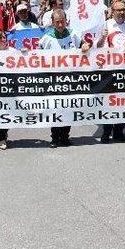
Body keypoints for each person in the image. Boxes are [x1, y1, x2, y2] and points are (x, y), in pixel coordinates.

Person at [39, 9, 90, 147]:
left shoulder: (73, 34)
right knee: (55, 108)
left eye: (62, 21)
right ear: (52, 22)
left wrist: (85, 46)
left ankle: (65, 136)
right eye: (57, 22)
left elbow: (84, 46)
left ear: (66, 20)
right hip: (54, 79)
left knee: (68, 107)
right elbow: (38, 56)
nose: (60, 25)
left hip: (71, 78)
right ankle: (55, 137)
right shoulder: (47, 38)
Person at [97, 1, 125, 143]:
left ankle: (119, 131)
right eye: (118, 10)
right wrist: (102, 37)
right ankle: (106, 131)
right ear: (112, 11)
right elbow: (97, 46)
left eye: (124, 10)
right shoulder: (106, 24)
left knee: (122, 101)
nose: (121, 13)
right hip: (109, 68)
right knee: (108, 101)